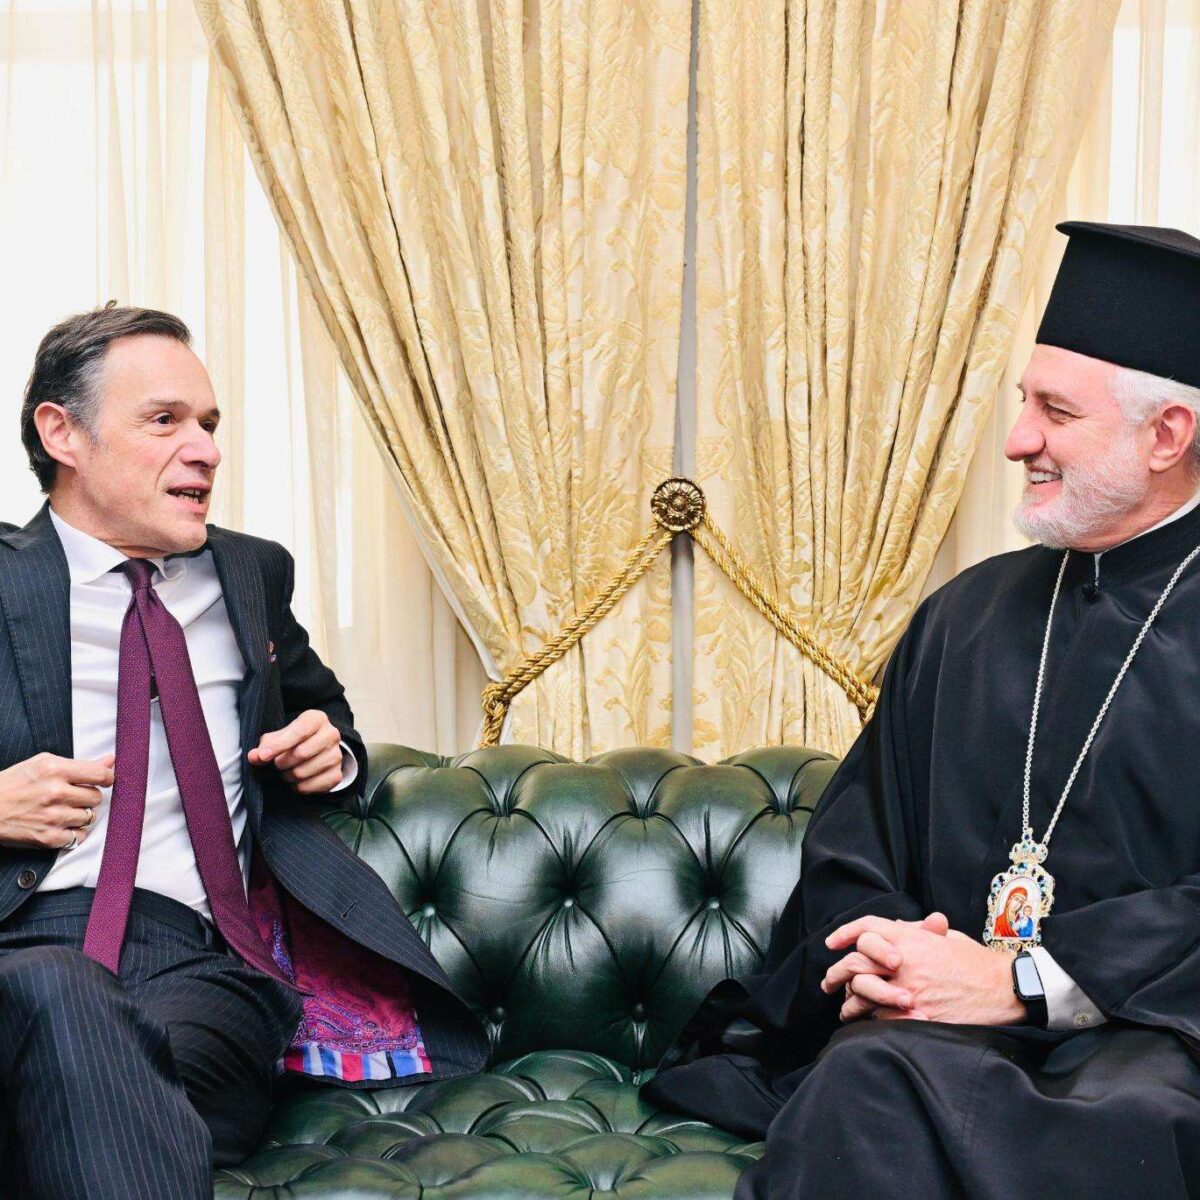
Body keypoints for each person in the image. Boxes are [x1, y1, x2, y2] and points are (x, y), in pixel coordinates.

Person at [642, 222, 1200, 1198]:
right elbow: (856, 841)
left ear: (1167, 436)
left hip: (1145, 1038)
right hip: (925, 1033)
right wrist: (895, 961)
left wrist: (1023, 982)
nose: (1018, 439)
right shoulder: (965, 615)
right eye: (1024, 403)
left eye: (1055, 411)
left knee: (1129, 1122)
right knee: (866, 1081)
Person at [0, 305, 486, 1199]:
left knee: (73, 1033)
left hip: (197, 969)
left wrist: (328, 751)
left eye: (209, 424)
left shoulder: (249, 574)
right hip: (17, 938)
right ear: (61, 433)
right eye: (165, 420)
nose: (206, 450)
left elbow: (324, 713)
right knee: (57, 1007)